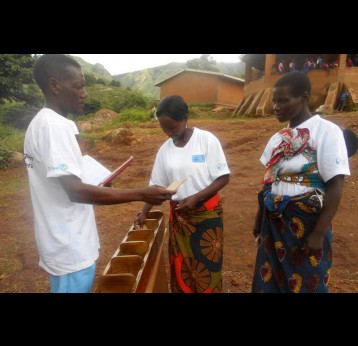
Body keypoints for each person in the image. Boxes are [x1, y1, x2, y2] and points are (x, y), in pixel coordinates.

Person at [24, 54, 175, 293]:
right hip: (69, 247)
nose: (84, 93)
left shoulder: (47, 123)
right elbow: (75, 190)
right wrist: (141, 194)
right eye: (78, 87)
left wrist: (98, 184)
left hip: (65, 242)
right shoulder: (53, 126)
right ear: (54, 86)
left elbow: (67, 182)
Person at [251, 71, 350, 293]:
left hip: (306, 223)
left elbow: (336, 184)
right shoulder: (278, 139)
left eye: (283, 100)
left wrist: (319, 232)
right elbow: (269, 182)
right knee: (271, 281)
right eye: (274, 101)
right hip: (273, 220)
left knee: (306, 280)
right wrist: (259, 219)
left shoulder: (326, 132)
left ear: (303, 97)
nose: (276, 107)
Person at [134, 95, 230, 293]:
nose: (169, 133)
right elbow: (157, 185)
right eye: (165, 129)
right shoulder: (164, 151)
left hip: (207, 217)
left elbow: (223, 177)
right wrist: (143, 211)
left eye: (173, 127)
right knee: (182, 268)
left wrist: (196, 198)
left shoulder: (206, 140)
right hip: (180, 219)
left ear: (185, 118)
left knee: (207, 269)